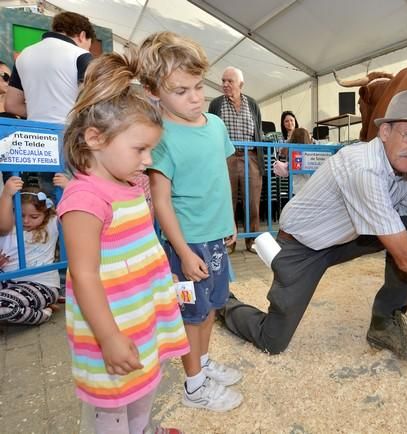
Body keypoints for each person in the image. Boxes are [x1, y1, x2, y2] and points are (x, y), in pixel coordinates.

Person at [220, 90, 407, 364]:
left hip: (346, 236)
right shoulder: (364, 167)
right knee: (273, 340)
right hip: (303, 247)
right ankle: (224, 303)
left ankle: (385, 323)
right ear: (385, 132)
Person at [57, 52, 189, 433]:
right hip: (112, 325)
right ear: (95, 138)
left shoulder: (128, 185)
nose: (147, 160)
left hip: (141, 314)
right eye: (139, 149)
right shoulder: (85, 200)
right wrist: (110, 338)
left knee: (142, 387)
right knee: (112, 407)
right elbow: (84, 275)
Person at [139, 31, 243, 412]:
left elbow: (222, 175)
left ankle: (203, 362)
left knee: (212, 305)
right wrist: (181, 251)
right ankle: (193, 385)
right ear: (154, 90)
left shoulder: (216, 125)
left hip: (216, 236)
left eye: (199, 86)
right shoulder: (161, 138)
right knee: (192, 313)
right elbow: (161, 201)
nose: (196, 97)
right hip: (188, 242)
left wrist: (231, 219)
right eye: (181, 91)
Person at [5, 11, 95, 198]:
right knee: (79, 197)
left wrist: (41, 110)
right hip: (73, 139)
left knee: (46, 201)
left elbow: (12, 105)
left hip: (37, 141)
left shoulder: (24, 56)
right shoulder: (81, 55)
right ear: (82, 35)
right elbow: (93, 102)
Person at [208, 67, 265, 254]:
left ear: (240, 84)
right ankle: (228, 242)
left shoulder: (253, 104)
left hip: (250, 156)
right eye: (223, 80)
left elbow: (258, 131)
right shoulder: (216, 104)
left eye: (229, 81)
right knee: (227, 200)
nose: (225, 84)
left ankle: (253, 241)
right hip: (226, 156)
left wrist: (259, 159)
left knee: (253, 201)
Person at [0, 178, 60, 325]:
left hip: (42, 284)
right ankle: (29, 304)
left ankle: (42, 313)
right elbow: (2, 226)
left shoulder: (51, 225)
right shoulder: (8, 227)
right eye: (21, 215)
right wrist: (7, 195)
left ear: (45, 214)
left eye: (34, 216)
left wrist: (66, 189)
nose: (26, 221)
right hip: (8, 283)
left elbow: (72, 213)